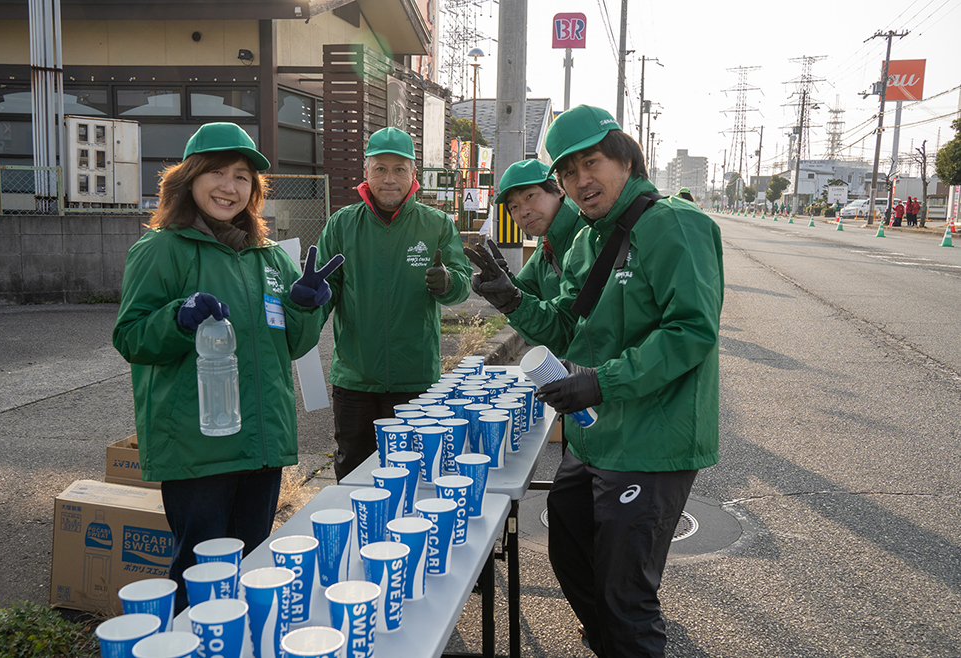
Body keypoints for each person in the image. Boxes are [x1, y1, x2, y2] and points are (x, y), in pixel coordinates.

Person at [465, 105, 723, 658]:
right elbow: (567, 328)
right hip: (597, 433)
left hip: (654, 439)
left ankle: (625, 639)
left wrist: (600, 383)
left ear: (625, 158)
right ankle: (609, 640)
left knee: (626, 595)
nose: (581, 180)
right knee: (570, 546)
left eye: (593, 162)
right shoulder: (585, 241)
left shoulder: (675, 223)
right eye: (567, 171)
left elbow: (691, 332)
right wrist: (509, 297)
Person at [112, 122, 343, 610]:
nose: (229, 186)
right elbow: (131, 337)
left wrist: (305, 305)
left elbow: (295, 347)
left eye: (242, 176)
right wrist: (177, 318)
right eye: (216, 172)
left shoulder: (268, 258)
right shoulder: (161, 249)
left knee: (253, 566)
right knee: (202, 574)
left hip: (261, 441)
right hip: (199, 446)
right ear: (189, 179)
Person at [299, 127, 472, 480]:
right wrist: (304, 310)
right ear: (366, 171)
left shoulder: (436, 224)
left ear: (413, 174)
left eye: (398, 169)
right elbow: (323, 292)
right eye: (380, 169)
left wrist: (448, 283)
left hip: (416, 378)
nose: (389, 179)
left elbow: (462, 284)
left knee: (414, 473)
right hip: (355, 379)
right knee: (352, 473)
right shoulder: (343, 224)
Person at [493, 158, 584, 452]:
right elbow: (525, 297)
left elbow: (564, 324)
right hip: (574, 381)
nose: (523, 211)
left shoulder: (586, 235)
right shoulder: (547, 246)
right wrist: (503, 284)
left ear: (557, 190)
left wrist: (513, 299)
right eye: (513, 207)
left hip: (602, 381)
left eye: (530, 196)